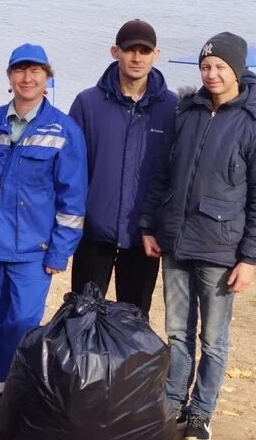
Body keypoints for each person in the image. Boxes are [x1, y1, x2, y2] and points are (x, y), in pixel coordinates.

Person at [139, 32, 256, 440]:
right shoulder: (188, 113)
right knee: (177, 334)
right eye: (206, 67)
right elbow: (163, 175)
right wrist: (150, 225)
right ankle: (171, 405)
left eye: (220, 66)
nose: (212, 74)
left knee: (212, 339)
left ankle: (201, 412)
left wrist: (250, 258)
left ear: (237, 70)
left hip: (222, 249)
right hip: (177, 243)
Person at [0, 44, 87, 406]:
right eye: (20, 71)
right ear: (9, 77)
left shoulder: (64, 130)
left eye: (35, 72)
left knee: (23, 326)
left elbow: (72, 201)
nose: (27, 78)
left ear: (47, 77)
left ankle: (18, 398)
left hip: (33, 250)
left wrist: (60, 252)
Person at [68, 19, 177, 316]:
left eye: (145, 50)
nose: (137, 58)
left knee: (134, 321)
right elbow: (70, 170)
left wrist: (158, 226)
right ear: (115, 51)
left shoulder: (172, 108)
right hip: (93, 233)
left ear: (156, 54)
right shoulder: (87, 104)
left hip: (143, 238)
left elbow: (175, 174)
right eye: (130, 50)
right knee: (82, 317)